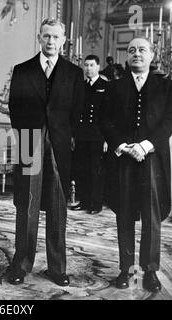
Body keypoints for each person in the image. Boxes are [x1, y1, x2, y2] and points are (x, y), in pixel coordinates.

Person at [8, 19, 84, 286]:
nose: (51, 41)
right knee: (27, 205)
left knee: (57, 208)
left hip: (60, 147)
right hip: (31, 142)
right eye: (46, 36)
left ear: (63, 40)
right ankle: (22, 264)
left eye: (55, 37)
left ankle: (57, 268)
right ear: (39, 38)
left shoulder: (74, 73)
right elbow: (15, 109)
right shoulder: (22, 70)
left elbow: (78, 111)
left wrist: (61, 136)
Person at [101, 38, 172, 292]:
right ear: (127, 56)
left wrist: (145, 146)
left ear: (152, 55)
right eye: (132, 50)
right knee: (124, 214)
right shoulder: (114, 87)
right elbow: (106, 121)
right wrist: (123, 146)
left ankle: (150, 271)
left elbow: (169, 123)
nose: (136, 54)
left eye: (142, 50)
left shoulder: (167, 86)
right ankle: (126, 269)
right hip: (123, 158)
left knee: (151, 217)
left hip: (152, 159)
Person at [72, 55, 108, 215]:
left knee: (96, 170)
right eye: (86, 65)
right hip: (82, 134)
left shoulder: (106, 86)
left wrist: (107, 138)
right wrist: (73, 135)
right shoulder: (80, 85)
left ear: (98, 67)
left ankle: (96, 203)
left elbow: (110, 115)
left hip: (98, 135)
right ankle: (84, 201)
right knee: (82, 169)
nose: (88, 68)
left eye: (91, 65)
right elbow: (76, 111)